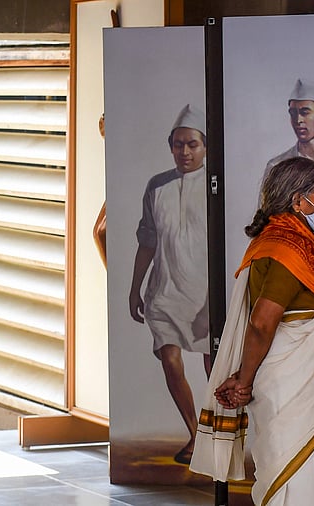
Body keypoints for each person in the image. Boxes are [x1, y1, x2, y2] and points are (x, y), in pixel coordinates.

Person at [191, 157, 314, 505]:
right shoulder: (289, 248)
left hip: (301, 378)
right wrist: (244, 379)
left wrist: (245, 376)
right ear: (299, 200)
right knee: (303, 468)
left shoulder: (286, 241)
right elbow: (262, 321)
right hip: (294, 379)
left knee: (312, 464)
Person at [128, 103, 211, 465]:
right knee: (170, 359)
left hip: (205, 294)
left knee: (215, 367)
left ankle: (218, 435)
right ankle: (195, 434)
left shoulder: (214, 185)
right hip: (164, 291)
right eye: (178, 144)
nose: (185, 152)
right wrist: (134, 288)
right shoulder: (156, 186)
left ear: (205, 147)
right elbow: (147, 240)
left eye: (192, 144)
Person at [264, 78, 314, 251]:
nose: (298, 120)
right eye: (293, 113)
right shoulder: (277, 166)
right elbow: (267, 221)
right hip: (292, 259)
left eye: (305, 112)